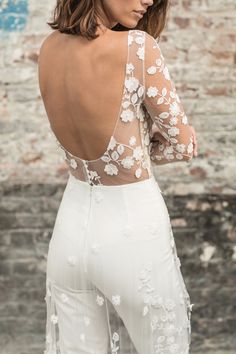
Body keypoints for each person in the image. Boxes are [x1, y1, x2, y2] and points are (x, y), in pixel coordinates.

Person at [38, 1, 198, 353]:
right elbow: (183, 145)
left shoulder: (48, 48)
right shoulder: (138, 48)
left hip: (69, 233)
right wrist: (141, 146)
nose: (148, 0)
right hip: (133, 231)